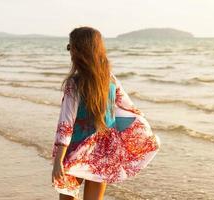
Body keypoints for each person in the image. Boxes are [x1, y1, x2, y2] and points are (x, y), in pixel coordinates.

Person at [51, 26, 161, 200]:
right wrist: (142, 131)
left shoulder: (74, 84)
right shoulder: (110, 79)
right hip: (104, 151)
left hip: (76, 149)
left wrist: (58, 162)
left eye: (70, 47)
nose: (70, 52)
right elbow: (129, 108)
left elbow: (66, 125)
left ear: (79, 51)